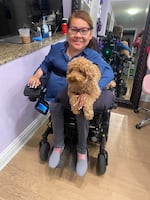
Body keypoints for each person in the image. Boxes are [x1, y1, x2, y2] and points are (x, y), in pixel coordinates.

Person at [27, 10, 115, 176]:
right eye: (74, 29)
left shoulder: (91, 55)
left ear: (90, 35)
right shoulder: (56, 49)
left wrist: (92, 91)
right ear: (68, 31)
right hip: (57, 96)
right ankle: (59, 145)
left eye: (84, 31)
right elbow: (45, 65)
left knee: (81, 108)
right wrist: (37, 75)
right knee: (55, 107)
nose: (78, 35)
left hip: (78, 96)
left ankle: (82, 151)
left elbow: (109, 72)